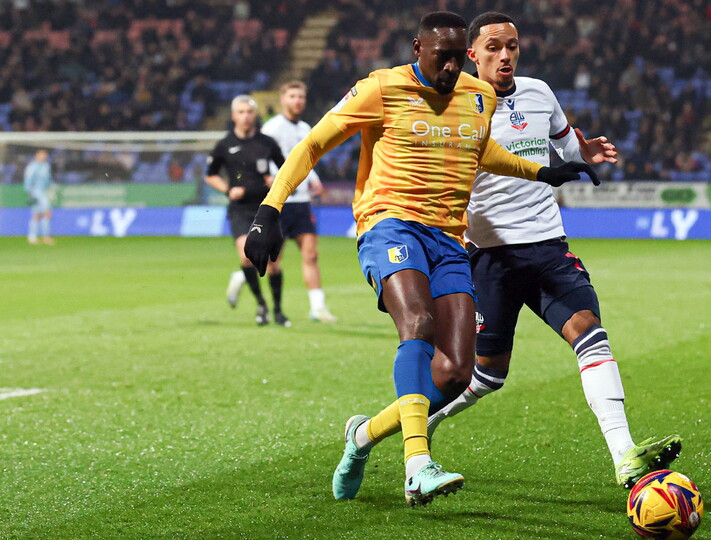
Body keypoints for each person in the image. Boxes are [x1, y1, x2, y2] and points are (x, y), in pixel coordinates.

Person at [242, 12, 599, 506]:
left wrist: (544, 173)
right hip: (389, 224)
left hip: (450, 238)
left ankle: (363, 436)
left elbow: (482, 150)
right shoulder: (381, 89)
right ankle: (417, 465)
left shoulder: (479, 96)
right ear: (417, 48)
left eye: (458, 57)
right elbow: (313, 143)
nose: (452, 67)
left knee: (455, 374)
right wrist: (269, 209)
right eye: (442, 56)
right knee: (418, 322)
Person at [413, 11, 680, 490]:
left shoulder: (540, 93)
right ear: (472, 54)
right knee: (487, 376)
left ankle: (624, 455)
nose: (505, 55)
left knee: (590, 333)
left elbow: (562, 145)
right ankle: (416, 429)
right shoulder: (456, 104)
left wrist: (584, 153)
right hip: (489, 257)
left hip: (547, 246)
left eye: (512, 46)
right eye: (493, 47)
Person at [226, 81, 338, 323]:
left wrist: (314, 179)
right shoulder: (272, 128)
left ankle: (317, 307)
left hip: (302, 201)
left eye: (301, 97)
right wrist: (265, 177)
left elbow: (306, 158)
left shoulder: (306, 127)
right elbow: (260, 155)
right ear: (283, 100)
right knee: (271, 261)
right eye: (293, 96)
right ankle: (241, 276)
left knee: (311, 253)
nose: (297, 101)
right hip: (281, 202)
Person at [205, 95, 289, 326]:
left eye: (249, 112)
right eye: (241, 112)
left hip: (267, 208)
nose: (245, 116)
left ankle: (279, 310)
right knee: (246, 256)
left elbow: (286, 169)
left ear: (255, 115)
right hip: (240, 210)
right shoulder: (224, 144)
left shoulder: (266, 143)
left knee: (273, 262)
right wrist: (227, 189)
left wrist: (276, 179)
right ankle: (261, 304)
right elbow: (210, 174)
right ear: (233, 116)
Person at [24, 149, 55, 245]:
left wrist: (52, 186)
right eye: (42, 155)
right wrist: (30, 192)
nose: (43, 157)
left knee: (40, 214)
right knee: (44, 213)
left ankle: (35, 237)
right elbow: (28, 180)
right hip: (36, 192)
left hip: (44, 192)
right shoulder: (32, 167)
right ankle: (41, 237)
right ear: (36, 156)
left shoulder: (46, 166)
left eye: (45, 155)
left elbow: (48, 179)